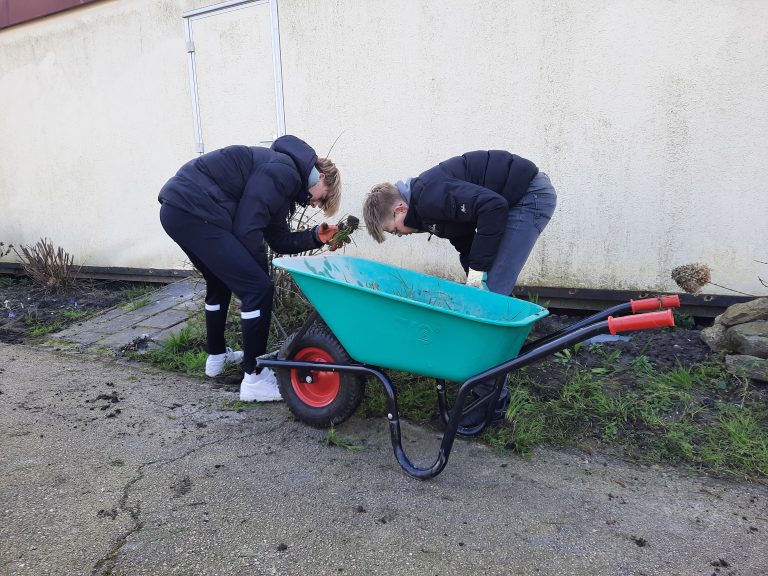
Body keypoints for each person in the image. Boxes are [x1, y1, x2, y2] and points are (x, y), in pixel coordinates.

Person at [362, 149, 557, 428]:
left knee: (489, 304)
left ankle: (489, 403)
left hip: (528, 197)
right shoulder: (423, 209)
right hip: (514, 198)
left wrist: (479, 275)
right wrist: (473, 278)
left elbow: (494, 207)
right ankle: (487, 377)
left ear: (400, 209)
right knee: (485, 294)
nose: (399, 236)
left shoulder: (429, 197)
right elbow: (465, 237)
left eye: (393, 230)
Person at [159, 135, 343, 403]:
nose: (315, 204)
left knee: (219, 281)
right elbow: (247, 230)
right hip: (194, 209)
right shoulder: (284, 172)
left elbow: (278, 240)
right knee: (258, 289)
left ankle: (216, 357)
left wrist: (316, 237)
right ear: (322, 178)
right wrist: (258, 282)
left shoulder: (283, 176)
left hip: (178, 210)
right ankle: (254, 379)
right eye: (322, 199)